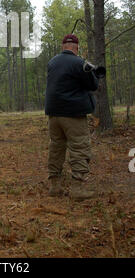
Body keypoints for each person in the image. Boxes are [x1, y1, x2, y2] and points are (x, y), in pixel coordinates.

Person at [45, 34, 99, 200]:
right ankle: (77, 188)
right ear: (76, 47)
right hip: (73, 115)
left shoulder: (52, 62)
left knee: (56, 147)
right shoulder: (80, 63)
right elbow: (93, 85)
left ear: (63, 46)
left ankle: (55, 186)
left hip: (53, 114)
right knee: (79, 148)